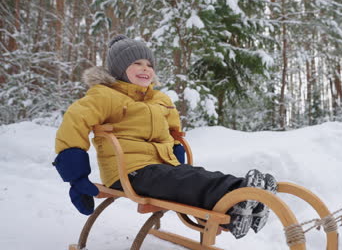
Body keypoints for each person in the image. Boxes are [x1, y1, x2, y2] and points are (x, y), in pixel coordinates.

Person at [53, 34, 277, 239]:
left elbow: (172, 132)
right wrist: (76, 177)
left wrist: (176, 157)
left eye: (149, 64)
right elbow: (74, 124)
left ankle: (247, 201)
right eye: (136, 63)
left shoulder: (160, 99)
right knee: (183, 180)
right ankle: (236, 195)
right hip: (128, 172)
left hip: (161, 167)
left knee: (192, 175)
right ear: (119, 70)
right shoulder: (104, 96)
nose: (145, 69)